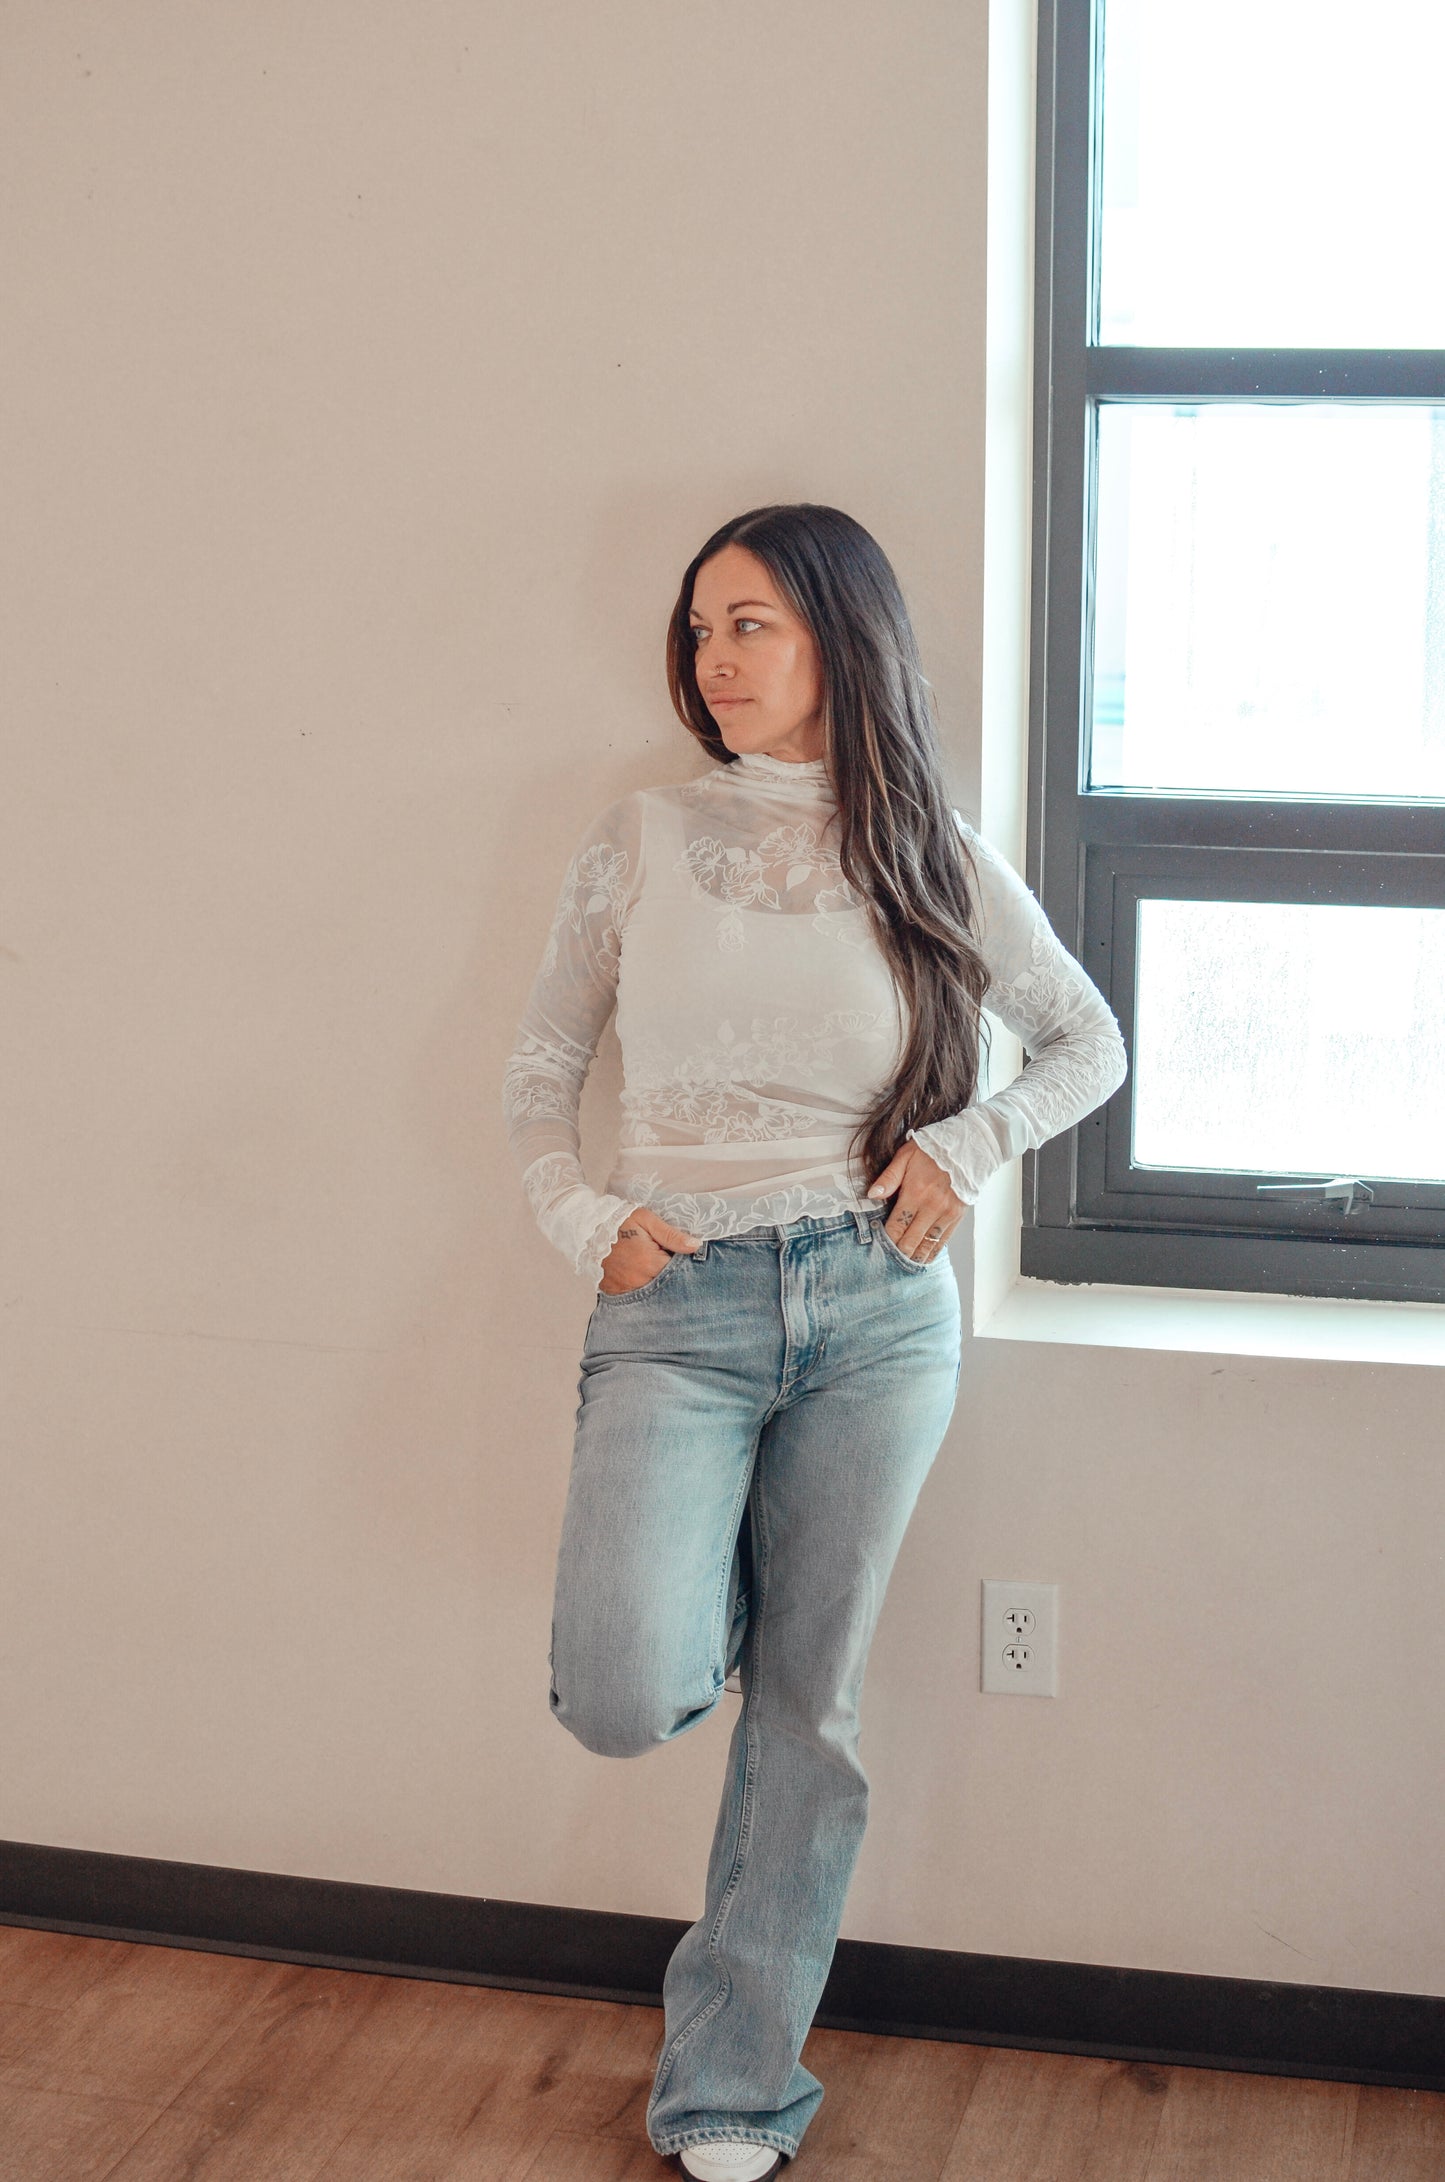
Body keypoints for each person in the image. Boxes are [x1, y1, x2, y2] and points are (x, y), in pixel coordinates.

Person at [501, 503, 1126, 2182]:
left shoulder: (923, 843)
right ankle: (710, 1574)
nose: (713, 658)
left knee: (810, 1711)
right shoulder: (637, 836)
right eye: (700, 627)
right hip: (676, 1305)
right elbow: (534, 1082)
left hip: (874, 1312)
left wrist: (964, 1148)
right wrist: (583, 1220)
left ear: (840, 639)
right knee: (629, 1689)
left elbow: (1082, 1037)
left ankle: (729, 2083)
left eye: (751, 622)